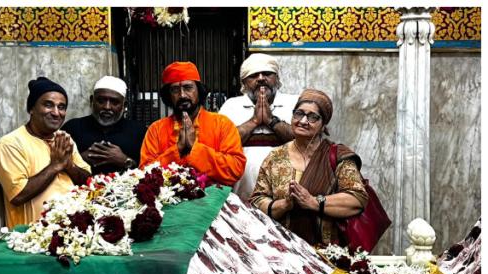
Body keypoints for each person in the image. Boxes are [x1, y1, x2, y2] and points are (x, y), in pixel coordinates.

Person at [250, 89, 368, 247]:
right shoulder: (275, 158)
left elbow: (357, 198)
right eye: (299, 113)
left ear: (323, 125)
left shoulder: (336, 157)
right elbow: (257, 201)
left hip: (328, 253)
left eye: (313, 117)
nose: (303, 121)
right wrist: (285, 204)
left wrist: (313, 202)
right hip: (283, 251)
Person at [0, 77, 91, 228]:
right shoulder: (11, 143)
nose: (56, 112)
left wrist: (69, 166)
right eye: (48, 105)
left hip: (73, 232)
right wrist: (55, 166)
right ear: (31, 109)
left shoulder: (64, 139)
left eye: (61, 107)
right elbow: (18, 195)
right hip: (31, 238)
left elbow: (89, 182)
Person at [140, 62, 246, 186]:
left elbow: (236, 169)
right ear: (168, 96)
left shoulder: (222, 124)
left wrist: (194, 148)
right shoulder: (156, 129)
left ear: (199, 90)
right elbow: (144, 173)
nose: (182, 95)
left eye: (188, 87)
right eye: (175, 90)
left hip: (214, 203)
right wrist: (177, 149)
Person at [219, 53, 296, 200]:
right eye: (253, 75)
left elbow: (302, 141)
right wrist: (254, 121)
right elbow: (222, 144)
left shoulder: (294, 103)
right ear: (244, 82)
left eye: (267, 73)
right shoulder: (231, 106)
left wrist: (271, 121)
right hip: (241, 198)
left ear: (277, 79)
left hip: (287, 200)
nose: (261, 78)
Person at [61, 76, 147, 175]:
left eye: (114, 102)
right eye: (101, 101)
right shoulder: (72, 128)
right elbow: (57, 166)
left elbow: (148, 171)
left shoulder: (138, 132)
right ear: (92, 100)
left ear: (125, 105)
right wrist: (79, 159)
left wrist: (125, 161)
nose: (107, 107)